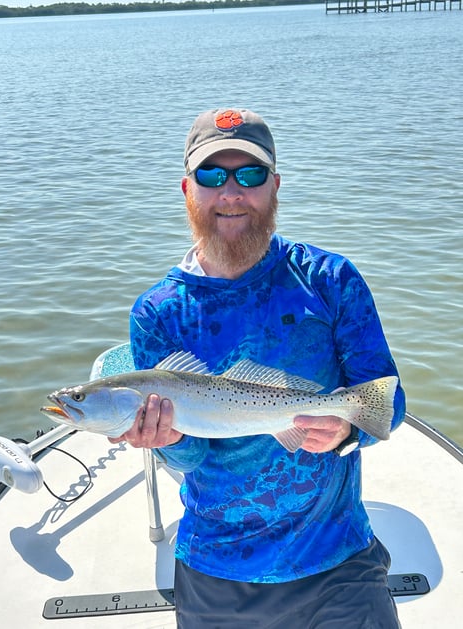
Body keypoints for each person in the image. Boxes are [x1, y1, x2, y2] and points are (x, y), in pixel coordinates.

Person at [110, 108, 406, 628]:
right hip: (217, 564)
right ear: (187, 188)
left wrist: (346, 430)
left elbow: (386, 402)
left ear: (274, 186)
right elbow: (194, 454)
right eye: (211, 176)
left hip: (337, 556)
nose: (231, 192)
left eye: (248, 175)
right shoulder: (157, 312)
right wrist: (169, 440)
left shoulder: (330, 278)